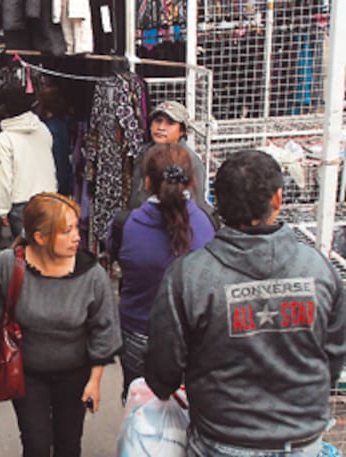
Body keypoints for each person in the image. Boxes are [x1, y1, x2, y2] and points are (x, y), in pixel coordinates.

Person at [145, 149, 346, 457]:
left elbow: (164, 365)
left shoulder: (189, 276)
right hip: (301, 439)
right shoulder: (319, 269)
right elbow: (333, 356)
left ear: (217, 202)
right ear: (278, 199)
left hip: (222, 438)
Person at [0, 192, 121, 457]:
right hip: (27, 374)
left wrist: (95, 380)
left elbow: (104, 330)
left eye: (75, 228)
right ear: (40, 238)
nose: (77, 237)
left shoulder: (92, 275)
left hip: (74, 375)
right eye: (66, 232)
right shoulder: (12, 263)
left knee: (68, 445)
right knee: (35, 445)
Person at [107, 144, 217, 400]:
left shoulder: (125, 224)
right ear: (193, 180)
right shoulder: (209, 224)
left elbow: (115, 255)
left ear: (146, 182)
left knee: (140, 412)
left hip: (139, 332)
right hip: (196, 338)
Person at [0, 83, 57, 239]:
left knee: (27, 255)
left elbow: (3, 178)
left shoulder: (4, 139)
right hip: (49, 198)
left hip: (22, 204)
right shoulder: (42, 129)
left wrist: (1, 210)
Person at [129, 100, 206, 209]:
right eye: (158, 121)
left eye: (170, 123)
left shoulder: (190, 162)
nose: (161, 127)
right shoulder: (144, 153)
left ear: (182, 131)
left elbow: (195, 206)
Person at [37, 86, 74, 197]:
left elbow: (58, 158)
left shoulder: (51, 129)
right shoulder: (62, 123)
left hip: (57, 182)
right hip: (63, 179)